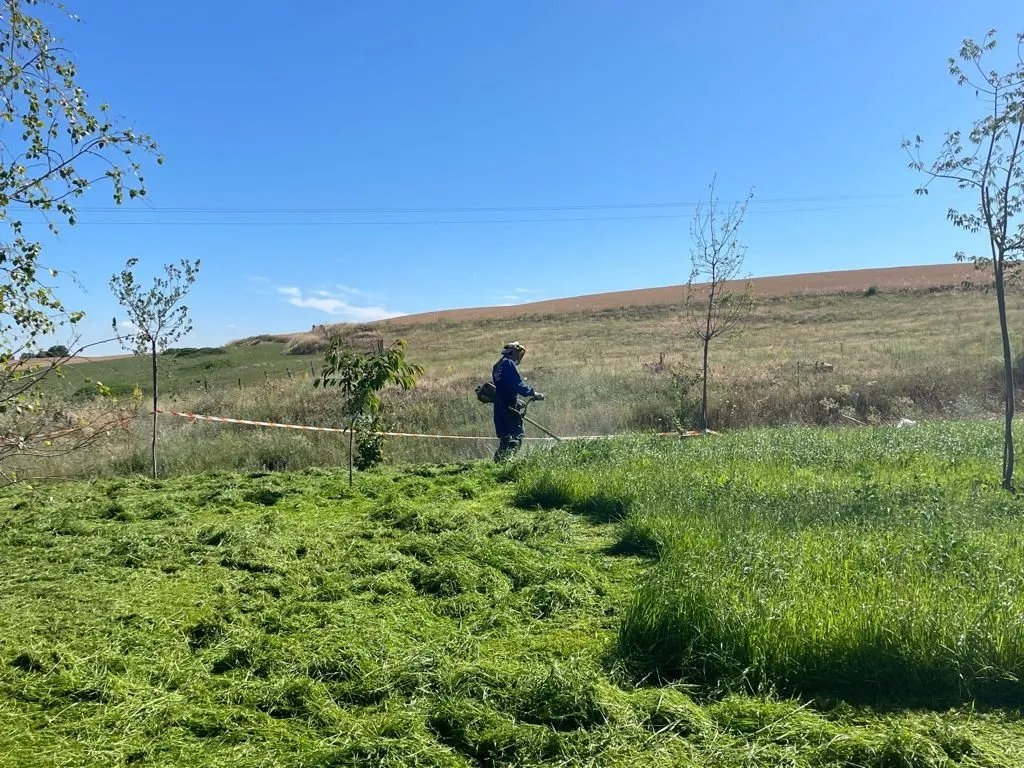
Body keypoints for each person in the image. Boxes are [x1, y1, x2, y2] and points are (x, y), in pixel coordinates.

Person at [492, 341, 545, 461]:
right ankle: (509, 462)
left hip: (499, 406)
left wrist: (517, 400)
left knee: (505, 438)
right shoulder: (508, 363)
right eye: (518, 353)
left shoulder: (497, 365)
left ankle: (498, 463)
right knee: (517, 435)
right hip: (508, 407)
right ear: (513, 352)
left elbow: (503, 386)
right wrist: (533, 393)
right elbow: (517, 384)